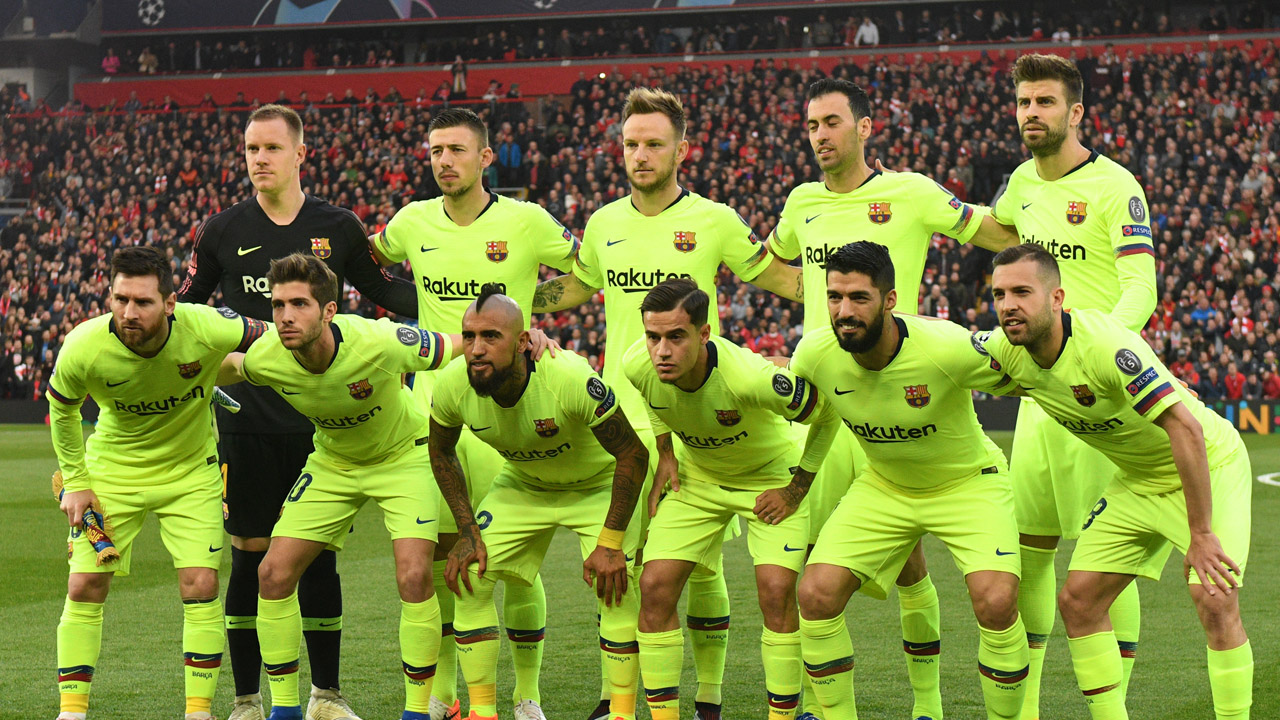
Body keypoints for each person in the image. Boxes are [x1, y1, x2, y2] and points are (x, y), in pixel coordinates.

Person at [532, 86, 802, 720]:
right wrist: (516, 310)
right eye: (631, 143)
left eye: (654, 143)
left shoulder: (715, 220)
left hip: (690, 418)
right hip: (616, 417)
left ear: (682, 150)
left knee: (698, 563)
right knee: (622, 560)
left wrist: (858, 297)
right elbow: (575, 288)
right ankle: (618, 698)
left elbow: (782, 279)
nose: (641, 154)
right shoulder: (603, 224)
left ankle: (706, 696)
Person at [766, 76, 1019, 720]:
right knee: (808, 571)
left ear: (864, 127)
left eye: (831, 122)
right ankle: (809, 705)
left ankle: (926, 705)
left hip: (904, 382)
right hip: (833, 398)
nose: (820, 136)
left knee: (910, 566)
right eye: (811, 125)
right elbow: (773, 264)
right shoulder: (801, 202)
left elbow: (999, 233)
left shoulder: (912, 192)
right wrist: (810, 300)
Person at [178, 103, 419, 720]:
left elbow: (387, 292)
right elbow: (185, 310)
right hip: (248, 417)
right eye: (251, 149)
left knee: (317, 558)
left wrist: (475, 303)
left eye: (271, 148)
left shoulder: (337, 226)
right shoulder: (221, 230)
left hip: (322, 422)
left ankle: (325, 696)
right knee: (250, 554)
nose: (259, 159)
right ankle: (246, 699)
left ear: (300, 154)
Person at [370, 106, 581, 720]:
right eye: (436, 150)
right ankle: (444, 695)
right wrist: (405, 321)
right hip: (432, 410)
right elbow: (366, 261)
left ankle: (526, 695)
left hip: (503, 414)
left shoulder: (526, 221)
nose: (445, 161)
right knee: (443, 559)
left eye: (457, 150)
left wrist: (531, 316)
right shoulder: (411, 221)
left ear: (485, 157)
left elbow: (588, 271)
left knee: (511, 565)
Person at [984, 244, 1251, 720]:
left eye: (1022, 292)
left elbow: (1186, 428)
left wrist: (1201, 533)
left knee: (1213, 597)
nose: (1008, 305)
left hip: (1210, 464)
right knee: (1079, 601)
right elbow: (939, 350)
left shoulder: (1105, 345)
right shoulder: (1008, 353)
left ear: (1056, 298)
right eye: (999, 294)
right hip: (1137, 480)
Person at [790, 242, 1028, 720]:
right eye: (835, 297)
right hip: (885, 486)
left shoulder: (944, 346)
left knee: (997, 601)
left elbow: (1032, 375)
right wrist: (798, 485)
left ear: (890, 300)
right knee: (815, 594)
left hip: (968, 483)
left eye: (859, 297)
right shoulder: (815, 353)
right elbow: (819, 415)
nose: (844, 311)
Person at [990, 54, 1158, 718]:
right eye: (1024, 102)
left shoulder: (1117, 186)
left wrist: (1098, 351)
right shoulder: (1020, 184)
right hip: (1040, 401)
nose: (1031, 113)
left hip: (1098, 398)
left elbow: (1141, 286)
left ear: (1076, 112)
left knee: (1103, 559)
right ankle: (1027, 709)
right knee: (1028, 553)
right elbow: (998, 231)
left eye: (1045, 102)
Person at [48, 246, 267, 720]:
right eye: (120, 299)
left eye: (143, 302)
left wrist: (236, 367)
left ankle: (198, 712)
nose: (129, 312)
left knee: (200, 583)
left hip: (190, 472)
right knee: (84, 585)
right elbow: (61, 409)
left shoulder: (208, 326)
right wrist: (77, 482)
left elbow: (275, 334)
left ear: (170, 303)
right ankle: (71, 713)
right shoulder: (83, 344)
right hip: (113, 470)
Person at [429, 286, 649, 720]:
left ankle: (621, 712)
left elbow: (633, 454)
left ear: (522, 342)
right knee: (472, 573)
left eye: (491, 336)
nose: (476, 349)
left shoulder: (567, 376)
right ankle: (482, 713)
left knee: (616, 586)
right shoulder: (454, 383)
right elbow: (440, 451)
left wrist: (610, 541)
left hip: (598, 483)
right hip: (525, 482)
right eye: (469, 336)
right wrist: (468, 530)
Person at [624, 278, 840, 720]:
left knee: (776, 592)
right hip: (698, 480)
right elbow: (652, 397)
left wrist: (795, 489)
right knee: (654, 586)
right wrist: (665, 452)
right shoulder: (637, 364)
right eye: (653, 337)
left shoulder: (749, 377)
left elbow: (829, 412)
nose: (661, 351)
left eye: (676, 337)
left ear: (704, 333)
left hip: (769, 479)